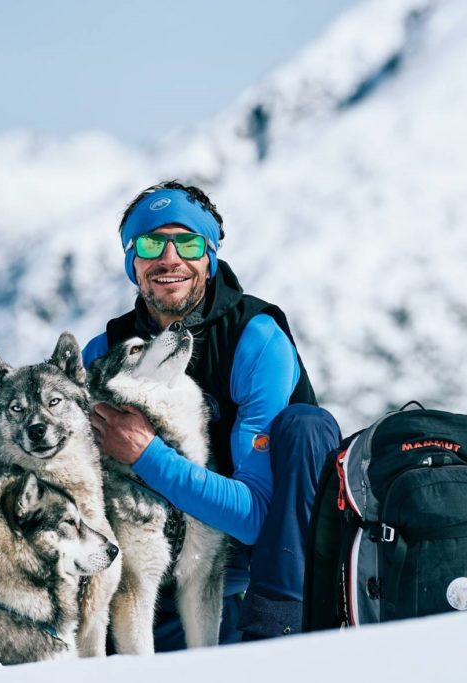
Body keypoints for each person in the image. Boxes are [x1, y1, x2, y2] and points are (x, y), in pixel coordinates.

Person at [84, 181, 341, 646]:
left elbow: (257, 518)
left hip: (265, 553)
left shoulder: (254, 338)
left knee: (307, 427)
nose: (169, 258)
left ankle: (279, 629)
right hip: (155, 559)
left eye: (186, 242)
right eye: (150, 244)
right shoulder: (105, 354)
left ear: (209, 255)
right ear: (131, 261)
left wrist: (145, 454)